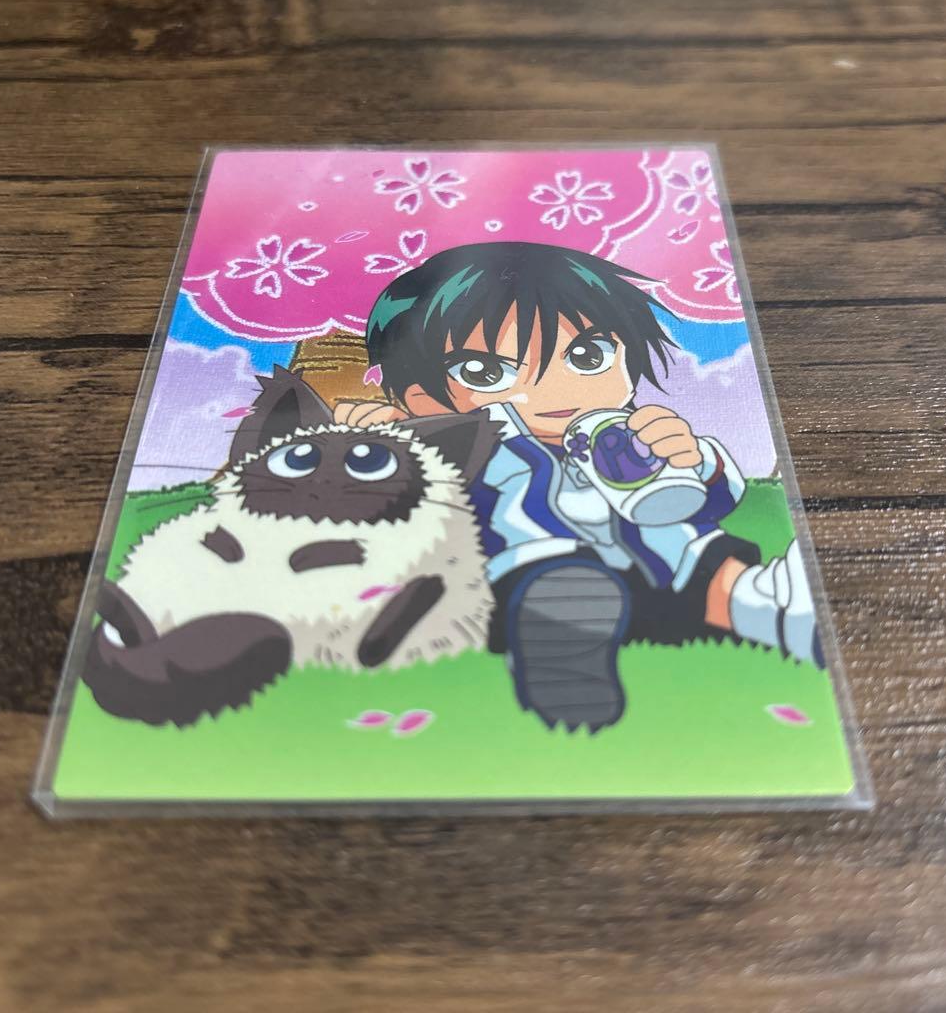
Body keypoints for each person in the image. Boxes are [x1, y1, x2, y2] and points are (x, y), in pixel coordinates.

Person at [337, 241, 823, 732]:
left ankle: (768, 605)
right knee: (550, 577)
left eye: (588, 355)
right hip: (540, 565)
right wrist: (383, 444)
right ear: (424, 400)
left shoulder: (625, 430)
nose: (554, 388)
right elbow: (397, 498)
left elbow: (713, 503)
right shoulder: (469, 443)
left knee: (716, 569)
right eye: (487, 372)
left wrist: (691, 459)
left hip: (671, 561)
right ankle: (563, 648)